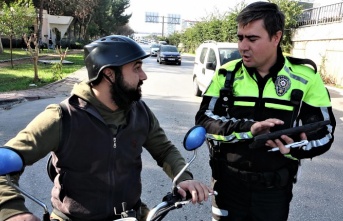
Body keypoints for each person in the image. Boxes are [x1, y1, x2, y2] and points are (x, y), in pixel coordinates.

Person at [0, 35, 213, 221]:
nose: (144, 76)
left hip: (132, 215)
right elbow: (6, 165)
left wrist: (184, 178)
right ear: (110, 74)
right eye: (136, 68)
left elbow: (164, 149)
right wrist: (12, 210)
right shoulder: (62, 117)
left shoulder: (140, 111)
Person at [195, 2, 336, 221]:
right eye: (240, 37)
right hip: (227, 185)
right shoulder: (226, 75)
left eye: (252, 39)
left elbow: (324, 130)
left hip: (274, 191)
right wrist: (248, 129)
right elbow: (204, 121)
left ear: (276, 37)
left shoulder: (305, 77)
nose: (242, 46)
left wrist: (295, 146)